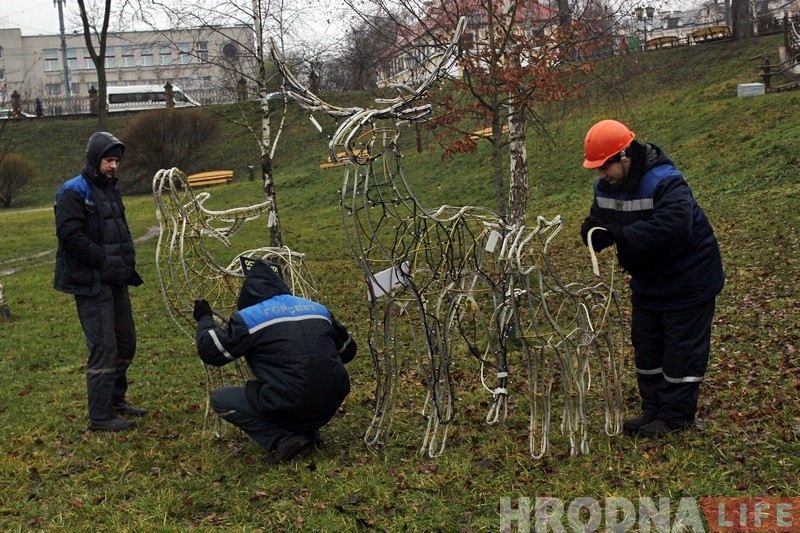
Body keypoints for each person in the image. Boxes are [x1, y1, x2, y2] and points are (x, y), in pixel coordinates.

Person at [580, 119, 724, 438]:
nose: (600, 174)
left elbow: (675, 224)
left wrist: (624, 235)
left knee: (681, 351)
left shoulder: (665, 180)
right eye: (596, 169)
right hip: (648, 281)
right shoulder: (605, 186)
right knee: (647, 346)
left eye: (605, 167)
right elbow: (600, 217)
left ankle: (675, 418)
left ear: (625, 156)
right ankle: (653, 410)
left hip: (689, 279)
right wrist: (593, 230)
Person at [193, 257, 357, 463]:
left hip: (290, 402)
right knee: (300, 384)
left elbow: (210, 351)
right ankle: (308, 431)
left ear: (247, 292)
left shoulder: (250, 317)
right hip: (333, 398)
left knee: (221, 399)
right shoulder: (317, 309)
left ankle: (283, 439)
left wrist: (204, 318)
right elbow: (348, 351)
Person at [54, 131, 146, 432]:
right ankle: (100, 415)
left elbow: (121, 231)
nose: (114, 166)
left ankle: (116, 401)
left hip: (116, 280)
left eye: (117, 161)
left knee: (125, 343)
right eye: (108, 160)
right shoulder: (73, 191)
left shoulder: (110, 190)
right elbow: (70, 236)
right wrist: (103, 259)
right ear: (95, 159)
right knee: (104, 346)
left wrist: (125, 264)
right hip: (91, 282)